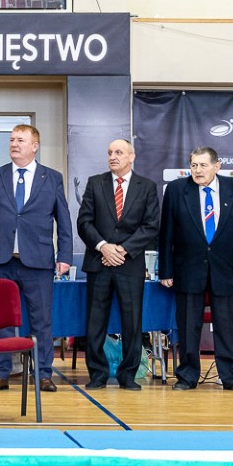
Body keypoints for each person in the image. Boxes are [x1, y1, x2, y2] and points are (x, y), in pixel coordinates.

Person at [0, 124, 72, 393]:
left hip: (39, 260)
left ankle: (43, 374)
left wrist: (64, 255)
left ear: (34, 146)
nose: (14, 144)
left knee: (41, 320)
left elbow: (63, 220)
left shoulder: (52, 178)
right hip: (2, 259)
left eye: (20, 140)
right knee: (2, 318)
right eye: (12, 140)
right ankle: (1, 373)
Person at [159, 147, 233, 391]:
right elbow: (166, 233)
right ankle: (187, 376)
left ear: (217, 166)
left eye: (203, 165)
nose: (198, 170)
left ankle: (231, 377)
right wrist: (166, 270)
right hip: (188, 268)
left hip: (226, 270)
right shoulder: (177, 190)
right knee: (188, 326)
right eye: (194, 165)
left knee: (227, 326)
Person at [76, 139, 160, 390]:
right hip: (99, 261)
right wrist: (104, 246)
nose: (113, 156)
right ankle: (97, 374)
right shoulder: (95, 183)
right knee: (95, 322)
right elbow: (84, 222)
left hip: (129, 263)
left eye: (119, 152)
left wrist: (122, 249)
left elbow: (151, 226)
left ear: (131, 156)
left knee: (132, 323)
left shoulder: (147, 186)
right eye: (110, 152)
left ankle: (128, 375)